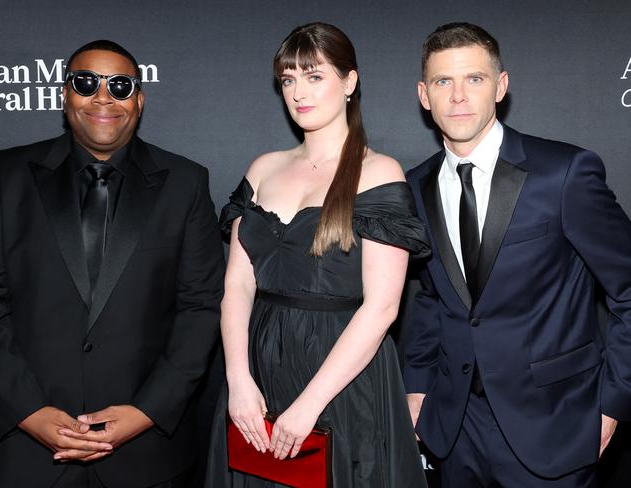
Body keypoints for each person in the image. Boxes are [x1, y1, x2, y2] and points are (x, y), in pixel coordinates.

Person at [0, 40, 224, 487]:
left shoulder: (186, 183)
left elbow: (201, 308)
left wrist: (146, 411)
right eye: (86, 82)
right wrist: (28, 412)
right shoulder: (6, 174)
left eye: (120, 85)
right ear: (64, 94)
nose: (103, 97)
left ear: (139, 99)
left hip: (146, 455)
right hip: (24, 453)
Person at [403, 22, 631, 487]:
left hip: (555, 424)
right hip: (453, 428)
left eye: (475, 79)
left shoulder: (563, 173)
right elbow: (429, 296)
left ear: (500, 88)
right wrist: (417, 387)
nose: (458, 96)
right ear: (425, 95)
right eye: (444, 81)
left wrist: (614, 403)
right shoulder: (413, 187)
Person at [205, 22, 430, 487]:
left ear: (349, 82)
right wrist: (238, 381)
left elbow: (383, 308)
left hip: (342, 378)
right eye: (288, 79)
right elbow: (237, 285)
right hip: (258, 369)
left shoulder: (378, 173)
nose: (298, 93)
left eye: (314, 76)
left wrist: (309, 404)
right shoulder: (263, 168)